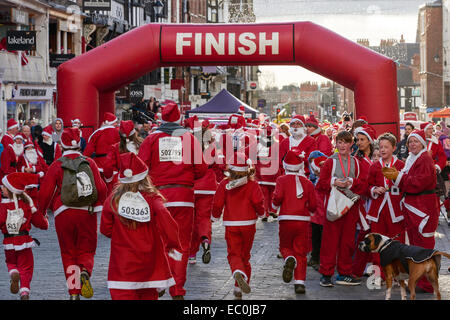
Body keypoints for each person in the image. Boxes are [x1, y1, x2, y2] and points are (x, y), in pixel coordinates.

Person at [138, 102, 207, 300]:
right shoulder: (189, 138)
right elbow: (201, 169)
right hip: (184, 197)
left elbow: (141, 168)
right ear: (178, 118)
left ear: (162, 118)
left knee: (159, 242)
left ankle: (160, 281)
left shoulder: (151, 139)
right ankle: (177, 290)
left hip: (158, 197)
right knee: (181, 245)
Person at [100, 152, 182, 300]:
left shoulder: (113, 200)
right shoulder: (152, 198)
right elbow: (166, 219)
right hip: (149, 263)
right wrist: (172, 244)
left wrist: (121, 233)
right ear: (145, 177)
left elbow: (105, 229)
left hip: (122, 263)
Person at [38, 128, 107, 300]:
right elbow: (101, 188)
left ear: (62, 144)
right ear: (79, 144)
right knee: (87, 248)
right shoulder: (89, 162)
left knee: (68, 252)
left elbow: (45, 192)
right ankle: (85, 270)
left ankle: (74, 291)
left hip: (63, 212)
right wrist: (98, 206)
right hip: (86, 212)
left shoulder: (57, 164)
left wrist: (42, 212)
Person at [382, 129, 440, 294]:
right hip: (416, 208)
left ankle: (427, 283)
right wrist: (397, 177)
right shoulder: (413, 158)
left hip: (423, 210)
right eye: (410, 142)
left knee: (424, 246)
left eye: (416, 141)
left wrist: (398, 177)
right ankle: (420, 281)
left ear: (422, 143)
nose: (412, 144)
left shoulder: (424, 159)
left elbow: (418, 183)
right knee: (416, 246)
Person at [316, 130, 368, 287]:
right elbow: (320, 184)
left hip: (351, 205)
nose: (342, 145)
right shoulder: (330, 162)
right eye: (339, 142)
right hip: (334, 205)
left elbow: (364, 184)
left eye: (345, 142)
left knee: (347, 242)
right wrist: (334, 182)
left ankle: (344, 273)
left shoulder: (357, 162)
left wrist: (352, 182)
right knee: (329, 241)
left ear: (351, 144)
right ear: (336, 144)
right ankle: (326, 273)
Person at [211, 152, 265, 300]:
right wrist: (262, 214)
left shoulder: (224, 183)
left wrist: (214, 217)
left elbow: (217, 203)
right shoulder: (252, 184)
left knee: (234, 254)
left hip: (231, 224)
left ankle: (237, 271)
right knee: (245, 255)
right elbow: (258, 202)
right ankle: (238, 289)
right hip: (248, 224)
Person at [272, 150, 317, 294]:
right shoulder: (308, 182)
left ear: (285, 165)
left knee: (285, 245)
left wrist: (273, 207)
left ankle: (289, 258)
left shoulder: (281, 180)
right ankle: (299, 282)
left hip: (286, 219)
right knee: (301, 252)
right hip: (303, 220)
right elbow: (313, 205)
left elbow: (277, 197)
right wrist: (309, 211)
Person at [0, 172, 48, 300]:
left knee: (11, 262)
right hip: (24, 241)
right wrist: (44, 219)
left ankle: (13, 273)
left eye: (4, 186)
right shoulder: (27, 204)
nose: (1, 188)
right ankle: (24, 292)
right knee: (26, 268)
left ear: (10, 190)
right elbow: (41, 224)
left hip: (8, 242)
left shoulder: (2, 206)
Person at [366, 133, 406, 280]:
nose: (382, 150)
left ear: (394, 148)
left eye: (386, 147)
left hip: (396, 209)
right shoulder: (375, 166)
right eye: (380, 147)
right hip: (378, 209)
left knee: (397, 242)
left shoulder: (401, 165)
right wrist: (374, 190)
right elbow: (367, 185)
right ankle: (378, 275)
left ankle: (397, 273)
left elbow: (406, 185)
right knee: (375, 242)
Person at [189, 120, 218, 265]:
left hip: (192, 186)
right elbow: (220, 165)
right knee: (204, 218)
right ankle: (205, 238)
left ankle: (192, 253)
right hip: (208, 187)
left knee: (191, 220)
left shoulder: (189, 144)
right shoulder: (213, 146)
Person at [103, 120, 143, 193]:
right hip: (141, 179)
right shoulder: (142, 144)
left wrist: (109, 179)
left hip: (123, 181)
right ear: (134, 133)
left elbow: (107, 166)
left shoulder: (115, 147)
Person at [84, 112, 120, 183]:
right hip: (113, 165)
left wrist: (83, 161)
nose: (116, 124)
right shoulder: (117, 131)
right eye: (115, 122)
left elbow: (88, 151)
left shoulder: (97, 133)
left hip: (99, 165)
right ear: (112, 123)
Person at [307, 152, 328, 270]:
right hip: (317, 214)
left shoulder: (322, 181)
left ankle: (318, 258)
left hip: (322, 213)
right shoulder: (315, 180)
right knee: (316, 237)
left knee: (320, 238)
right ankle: (315, 257)